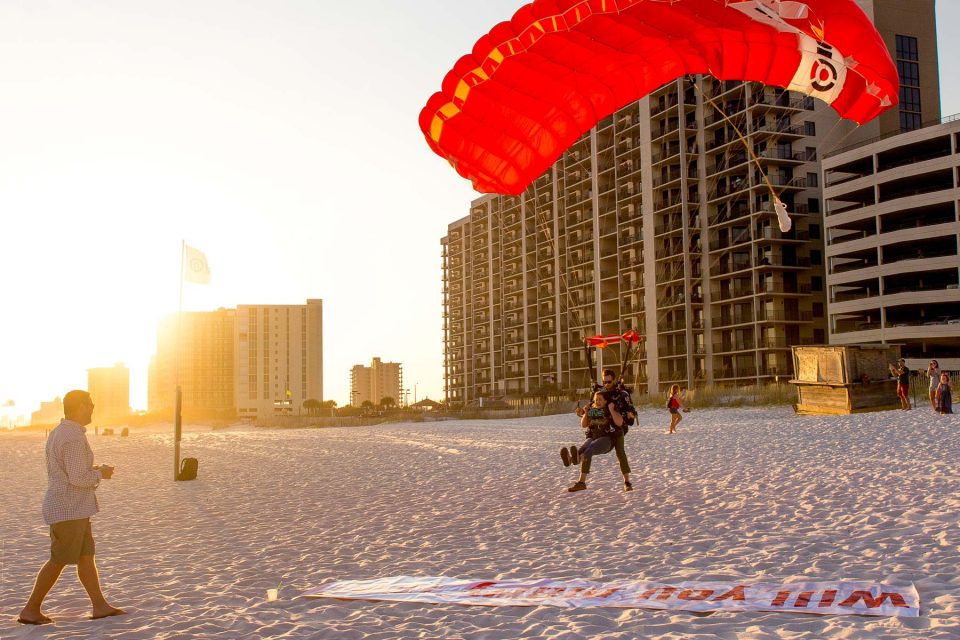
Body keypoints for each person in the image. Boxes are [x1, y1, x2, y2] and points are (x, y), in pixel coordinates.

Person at [18, 390, 125, 626]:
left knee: (86, 558)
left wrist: (93, 469)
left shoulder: (62, 431)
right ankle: (30, 609)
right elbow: (78, 478)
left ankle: (99, 606)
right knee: (58, 559)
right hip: (68, 509)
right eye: (90, 404)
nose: (93, 408)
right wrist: (101, 473)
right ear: (79, 406)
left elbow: (70, 471)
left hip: (75, 507)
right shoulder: (72, 436)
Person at [563, 389, 632, 492]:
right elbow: (584, 425)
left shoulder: (610, 409)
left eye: (600, 399)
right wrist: (586, 413)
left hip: (608, 440)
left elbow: (619, 422)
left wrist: (612, 410)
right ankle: (573, 462)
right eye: (596, 400)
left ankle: (627, 482)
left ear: (605, 401)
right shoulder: (592, 411)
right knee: (586, 445)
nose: (597, 401)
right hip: (594, 436)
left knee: (591, 447)